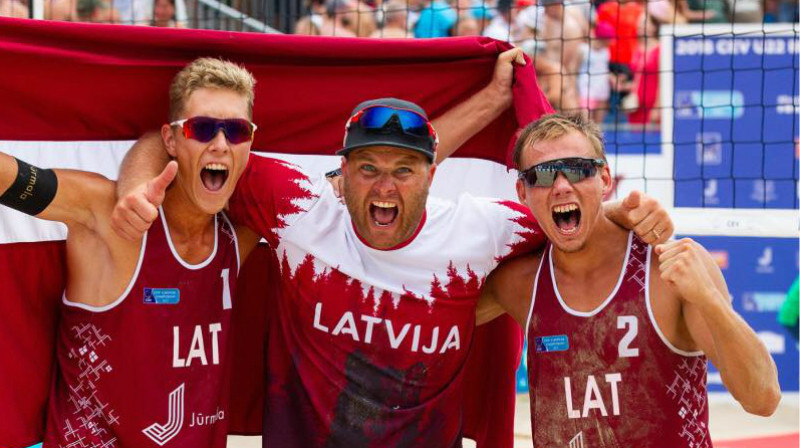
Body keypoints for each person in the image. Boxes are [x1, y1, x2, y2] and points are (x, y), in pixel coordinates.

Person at [113, 49, 674, 446]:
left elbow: (569, 208)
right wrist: (136, 195)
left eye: (404, 171)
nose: (385, 186)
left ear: (432, 177)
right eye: (368, 169)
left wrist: (625, 213)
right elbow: (170, 144)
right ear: (342, 175)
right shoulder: (299, 207)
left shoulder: (483, 231)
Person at [478, 113, 781, 447]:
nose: (562, 185)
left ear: (604, 178)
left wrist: (709, 299)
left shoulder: (668, 268)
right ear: (523, 191)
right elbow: (428, 312)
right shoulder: (522, 283)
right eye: (544, 175)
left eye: (578, 169)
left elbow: (763, 399)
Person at [0, 58, 255, 447]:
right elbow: (11, 180)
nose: (220, 143)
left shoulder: (242, 234)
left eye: (236, 130)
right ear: (172, 140)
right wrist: (138, 178)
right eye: (202, 128)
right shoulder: (108, 216)